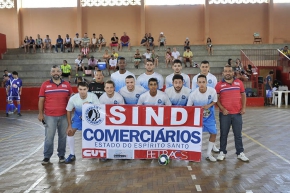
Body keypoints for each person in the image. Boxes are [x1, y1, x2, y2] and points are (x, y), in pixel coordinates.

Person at [38, 65, 73, 165]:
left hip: (64, 116)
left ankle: (61, 155)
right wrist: (41, 114)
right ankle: (46, 157)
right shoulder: (45, 85)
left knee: (63, 136)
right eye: (53, 71)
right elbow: (41, 100)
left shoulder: (67, 85)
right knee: (49, 137)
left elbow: (72, 98)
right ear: (51, 73)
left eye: (58, 71)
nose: (56, 73)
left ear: (61, 73)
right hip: (49, 116)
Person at [215, 64, 249, 162]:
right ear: (223, 73)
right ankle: (222, 152)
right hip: (224, 114)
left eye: (229, 71)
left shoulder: (239, 83)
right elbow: (216, 99)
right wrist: (222, 108)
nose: (228, 73)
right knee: (223, 134)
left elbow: (243, 95)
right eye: (226, 71)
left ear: (233, 73)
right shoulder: (219, 85)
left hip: (237, 113)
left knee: (238, 134)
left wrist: (243, 107)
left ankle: (240, 153)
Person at [65, 81, 100, 164]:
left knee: (98, 133)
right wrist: (69, 125)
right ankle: (72, 154)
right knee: (70, 132)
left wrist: (90, 105)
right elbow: (68, 111)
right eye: (80, 89)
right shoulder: (73, 98)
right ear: (77, 89)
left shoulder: (93, 96)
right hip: (78, 117)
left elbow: (99, 109)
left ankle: (97, 152)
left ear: (88, 89)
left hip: (91, 117)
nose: (82, 91)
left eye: (84, 89)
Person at [187, 74, 218, 162]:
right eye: (200, 82)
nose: (201, 84)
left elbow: (215, 101)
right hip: (197, 117)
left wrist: (209, 105)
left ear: (206, 82)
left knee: (213, 133)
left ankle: (208, 153)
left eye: (203, 82)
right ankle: (193, 153)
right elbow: (189, 107)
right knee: (195, 135)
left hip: (209, 117)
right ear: (197, 83)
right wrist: (197, 109)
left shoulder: (212, 91)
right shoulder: (193, 94)